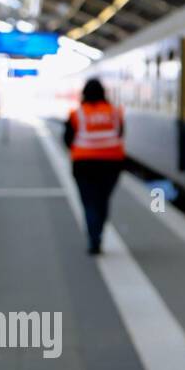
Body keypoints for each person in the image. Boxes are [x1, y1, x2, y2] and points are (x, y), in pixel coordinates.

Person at [64, 78, 126, 255]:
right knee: (102, 200)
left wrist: (84, 148)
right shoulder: (115, 112)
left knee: (89, 203)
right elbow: (121, 133)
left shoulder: (77, 114)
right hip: (112, 164)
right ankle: (98, 230)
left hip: (84, 165)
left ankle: (94, 240)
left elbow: (68, 139)